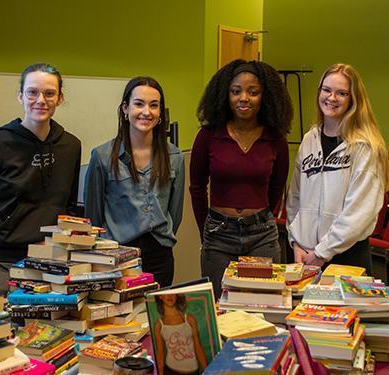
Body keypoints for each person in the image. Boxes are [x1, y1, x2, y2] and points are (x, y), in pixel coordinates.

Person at [190, 59, 293, 298]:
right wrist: (205, 230)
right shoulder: (208, 136)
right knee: (219, 307)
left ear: (265, 97)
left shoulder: (276, 139)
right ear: (225, 95)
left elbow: (276, 189)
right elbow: (196, 188)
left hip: (262, 236)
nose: (243, 98)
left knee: (261, 309)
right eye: (236, 91)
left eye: (253, 92)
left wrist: (258, 215)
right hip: (218, 235)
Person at [286, 63, 389, 275]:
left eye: (341, 93)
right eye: (326, 90)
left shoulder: (366, 147)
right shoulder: (309, 139)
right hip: (303, 256)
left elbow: (360, 211)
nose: (331, 98)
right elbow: (295, 198)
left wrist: (321, 253)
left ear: (353, 100)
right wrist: (295, 241)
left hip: (346, 257)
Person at [0, 63, 81, 294]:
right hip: (4, 263)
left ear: (60, 98)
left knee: (49, 330)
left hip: (53, 261)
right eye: (32, 92)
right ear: (21, 96)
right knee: (1, 330)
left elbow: (69, 206)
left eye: (49, 93)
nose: (41, 100)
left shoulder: (71, 146)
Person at [84, 76, 184, 288]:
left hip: (160, 255)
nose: (146, 112)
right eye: (139, 104)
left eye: (154, 105)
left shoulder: (174, 156)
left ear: (160, 114)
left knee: (157, 318)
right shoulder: (102, 156)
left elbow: (175, 212)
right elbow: (93, 216)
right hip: (117, 257)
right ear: (125, 109)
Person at [154, 294, 207, 375]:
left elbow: (198, 347)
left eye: (173, 293)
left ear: (177, 295)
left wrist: (208, 370)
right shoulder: (159, 325)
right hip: (171, 371)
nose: (170, 296)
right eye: (166, 293)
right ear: (160, 296)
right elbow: (160, 354)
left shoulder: (189, 319)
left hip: (193, 371)